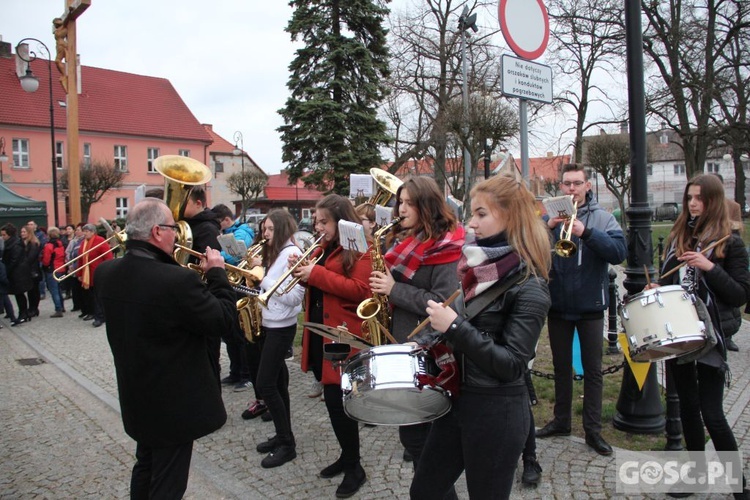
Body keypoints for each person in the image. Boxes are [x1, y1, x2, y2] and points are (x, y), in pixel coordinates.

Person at [410, 174, 551, 499]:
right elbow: (463, 328)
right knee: (424, 491)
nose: (471, 223)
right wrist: (427, 343)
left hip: (496, 413)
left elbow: (512, 364)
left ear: (511, 217)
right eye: (472, 213)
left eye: (481, 214)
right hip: (458, 402)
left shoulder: (530, 286)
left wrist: (454, 328)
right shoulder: (478, 269)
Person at [97, 198, 237, 499]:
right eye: (174, 229)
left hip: (137, 397)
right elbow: (222, 320)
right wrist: (216, 273)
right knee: (168, 484)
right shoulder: (177, 280)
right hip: (173, 406)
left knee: (145, 466)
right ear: (158, 232)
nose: (178, 235)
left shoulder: (106, 272)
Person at [653, 173, 750, 499]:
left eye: (700, 199)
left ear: (713, 202)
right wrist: (657, 289)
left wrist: (709, 267)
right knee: (688, 409)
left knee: (712, 413)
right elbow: (672, 283)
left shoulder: (730, 242)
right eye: (689, 198)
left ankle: (739, 486)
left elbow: (740, 295)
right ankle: (697, 477)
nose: (693, 204)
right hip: (679, 333)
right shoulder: (679, 235)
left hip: (711, 336)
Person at [369, 176, 465, 480]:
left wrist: (394, 290)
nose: (401, 208)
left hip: (431, 350)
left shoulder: (448, 245)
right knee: (411, 435)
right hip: (402, 343)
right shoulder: (406, 240)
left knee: (418, 436)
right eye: (400, 201)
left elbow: (446, 303)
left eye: (409, 202)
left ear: (427, 205)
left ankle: (434, 489)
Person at [536, 163, 627, 456]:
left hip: (590, 304)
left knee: (593, 372)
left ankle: (593, 431)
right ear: (560, 187)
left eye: (577, 183)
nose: (572, 189)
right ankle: (561, 421)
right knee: (561, 367)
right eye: (567, 184)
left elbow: (618, 253)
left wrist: (586, 233)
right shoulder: (549, 217)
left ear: (588, 185)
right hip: (559, 303)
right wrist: (547, 228)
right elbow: (530, 249)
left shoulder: (603, 218)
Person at [294, 194, 372, 498]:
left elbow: (361, 290)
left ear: (341, 221)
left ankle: (355, 467)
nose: (317, 226)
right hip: (319, 333)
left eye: (323, 221)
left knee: (341, 404)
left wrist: (317, 273)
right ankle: (347, 456)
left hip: (341, 338)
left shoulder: (357, 249)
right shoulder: (323, 249)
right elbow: (321, 287)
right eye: (316, 220)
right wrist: (304, 276)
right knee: (332, 402)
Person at [252, 209, 305, 468]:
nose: (265, 234)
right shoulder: (278, 254)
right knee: (278, 383)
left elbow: (295, 298)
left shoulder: (291, 255)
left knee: (266, 384)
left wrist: (262, 278)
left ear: (282, 229)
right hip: (272, 323)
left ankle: (287, 445)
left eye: (270, 229)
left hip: (282, 326)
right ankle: (284, 436)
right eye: (264, 229)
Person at [213, 203, 254, 391]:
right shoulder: (229, 232)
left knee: (240, 333)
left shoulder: (242, 233)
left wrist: (215, 257)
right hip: (232, 284)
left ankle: (246, 374)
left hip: (241, 286)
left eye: (218, 223)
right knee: (230, 333)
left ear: (227, 220)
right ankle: (235, 371)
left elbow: (234, 256)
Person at [713, 173, 742, 352]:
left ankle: (728, 336)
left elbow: (737, 228)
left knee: (727, 291)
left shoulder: (733, 206)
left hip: (726, 248)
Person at [77, 224, 114, 327]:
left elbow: (108, 257)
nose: (84, 233)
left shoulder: (100, 241)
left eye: (86, 231)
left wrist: (106, 272)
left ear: (93, 232)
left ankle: (100, 317)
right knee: (92, 296)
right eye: (84, 231)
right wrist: (79, 274)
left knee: (98, 297)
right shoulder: (83, 243)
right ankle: (95, 313)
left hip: (98, 273)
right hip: (87, 274)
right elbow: (80, 259)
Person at [1, 224, 32, 326]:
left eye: (4, 235)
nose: (3, 237)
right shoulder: (10, 243)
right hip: (15, 273)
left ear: (9, 235)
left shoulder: (16, 244)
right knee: (18, 294)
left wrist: (6, 270)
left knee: (19, 294)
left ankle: (23, 313)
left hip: (18, 274)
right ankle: (21, 313)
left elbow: (14, 260)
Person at [41, 227, 67, 318]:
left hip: (52, 269)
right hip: (61, 268)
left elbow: (46, 260)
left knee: (54, 290)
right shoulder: (61, 244)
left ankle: (58, 309)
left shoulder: (49, 245)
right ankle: (62, 306)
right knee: (59, 289)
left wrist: (44, 266)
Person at [21, 225, 42, 319]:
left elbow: (30, 258)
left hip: (33, 271)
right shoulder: (23, 243)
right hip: (27, 271)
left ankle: (34, 308)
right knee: (30, 291)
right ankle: (31, 308)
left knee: (34, 291)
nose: (22, 234)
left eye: (24, 232)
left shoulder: (33, 244)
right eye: (21, 232)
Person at [66, 224, 85, 313]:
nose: (77, 231)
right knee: (74, 288)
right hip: (73, 266)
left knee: (80, 288)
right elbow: (69, 253)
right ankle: (76, 305)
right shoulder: (75, 241)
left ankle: (82, 306)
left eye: (78, 230)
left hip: (79, 267)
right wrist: (69, 265)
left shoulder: (83, 241)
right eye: (76, 230)